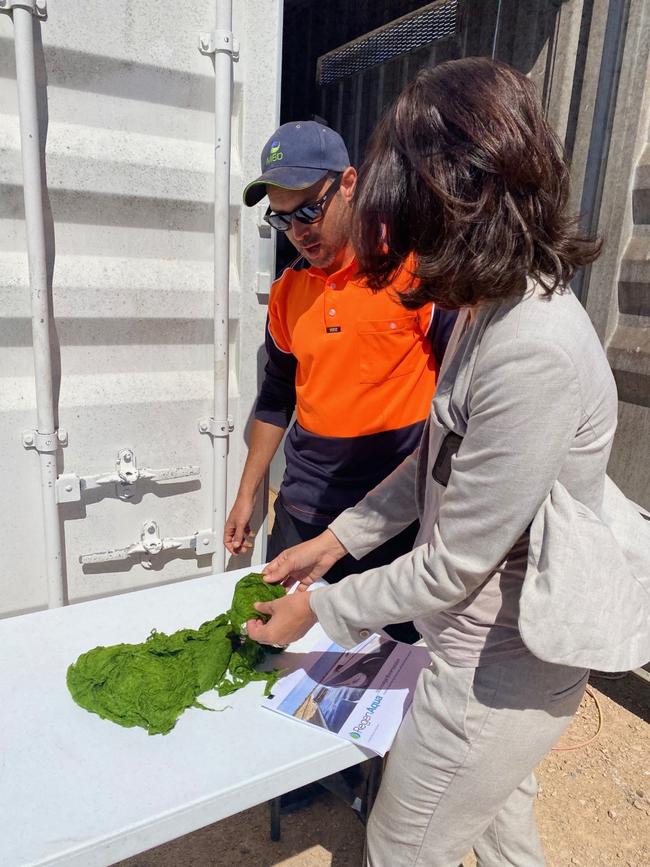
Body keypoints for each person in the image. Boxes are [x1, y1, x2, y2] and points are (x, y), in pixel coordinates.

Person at [245, 59, 625, 865]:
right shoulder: (492, 305)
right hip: (476, 646)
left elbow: (454, 565)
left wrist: (322, 608)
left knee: (404, 843)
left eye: (408, 218)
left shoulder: (534, 350)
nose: (401, 245)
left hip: (500, 666)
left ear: (464, 204)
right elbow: (434, 463)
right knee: (499, 830)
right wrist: (336, 540)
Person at [225, 119, 456, 643]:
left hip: (390, 520)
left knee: (392, 659)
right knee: (279, 649)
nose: (300, 231)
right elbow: (275, 398)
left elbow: (462, 399)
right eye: (282, 219)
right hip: (303, 511)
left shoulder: (415, 273)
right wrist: (247, 494)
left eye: (309, 209)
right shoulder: (288, 292)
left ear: (349, 183)